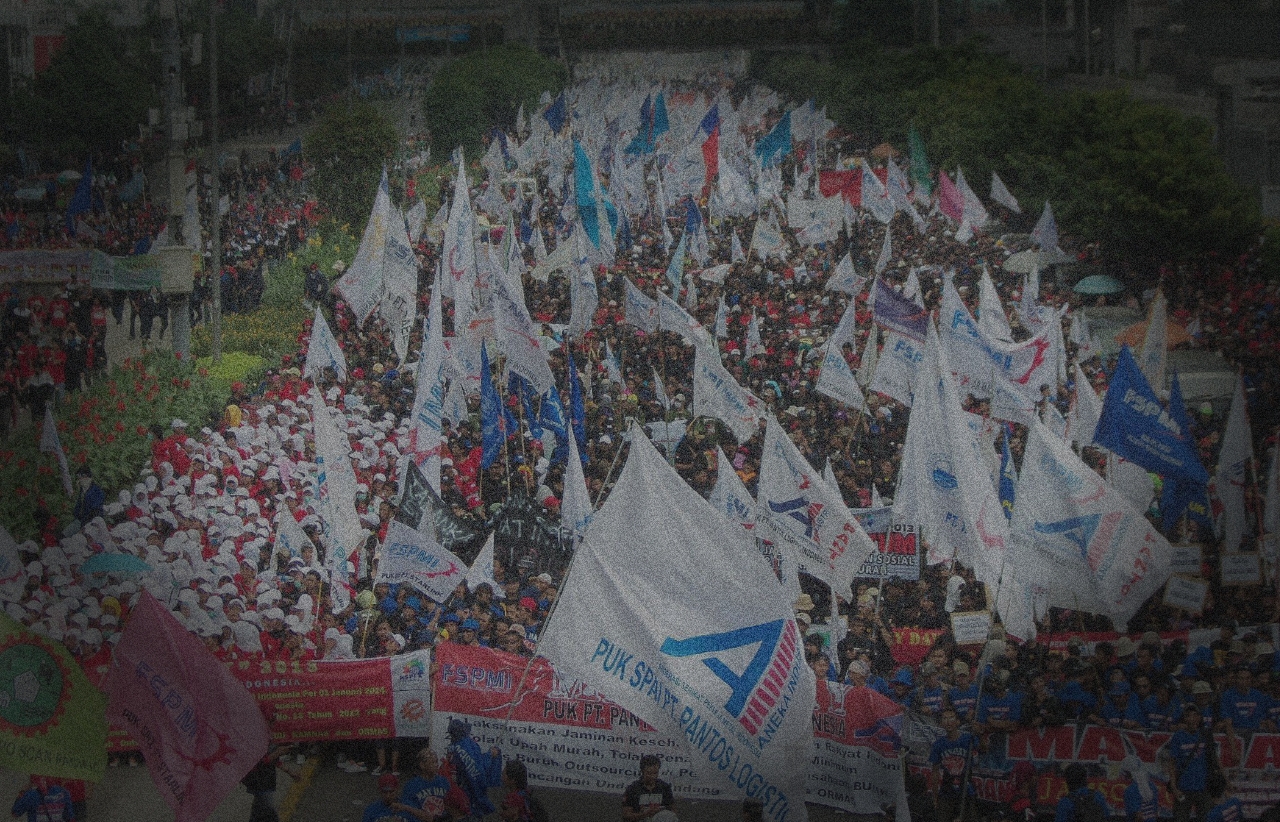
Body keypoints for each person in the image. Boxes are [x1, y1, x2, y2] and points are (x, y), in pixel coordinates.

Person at [442, 718, 502, 818]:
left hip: (459, 791)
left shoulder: (453, 746)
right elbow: (478, 768)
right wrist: (490, 754)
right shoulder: (465, 745)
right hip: (469, 793)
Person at [400, 748, 469, 822]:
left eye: (436, 762)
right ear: (422, 765)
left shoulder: (443, 782)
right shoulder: (411, 786)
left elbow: (452, 806)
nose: (436, 765)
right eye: (433, 762)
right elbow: (406, 811)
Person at [242, 743, 301, 822]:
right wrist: (277, 753)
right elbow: (258, 762)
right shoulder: (251, 742)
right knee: (268, 809)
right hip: (258, 780)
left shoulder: (267, 740)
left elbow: (274, 760)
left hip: (267, 779)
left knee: (260, 807)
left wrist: (289, 771)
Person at [621, 754, 677, 822]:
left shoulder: (665, 788)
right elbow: (626, 816)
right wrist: (645, 814)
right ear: (642, 772)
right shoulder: (632, 789)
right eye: (649, 773)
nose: (653, 777)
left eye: (655, 773)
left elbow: (673, 811)